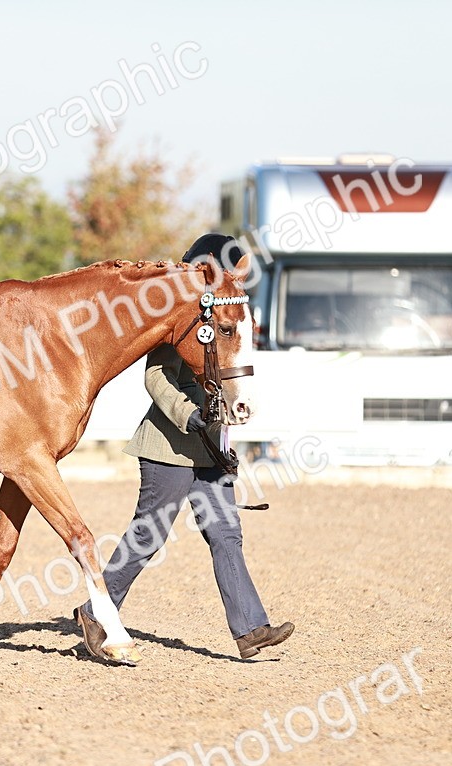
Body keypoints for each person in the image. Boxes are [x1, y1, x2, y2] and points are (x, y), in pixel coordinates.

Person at [75, 233, 295, 661]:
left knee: (226, 533)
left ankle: (250, 629)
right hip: (168, 446)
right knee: (149, 534)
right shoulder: (176, 318)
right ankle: (96, 614)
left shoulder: (221, 311)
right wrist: (185, 414)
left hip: (209, 447)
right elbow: (155, 378)